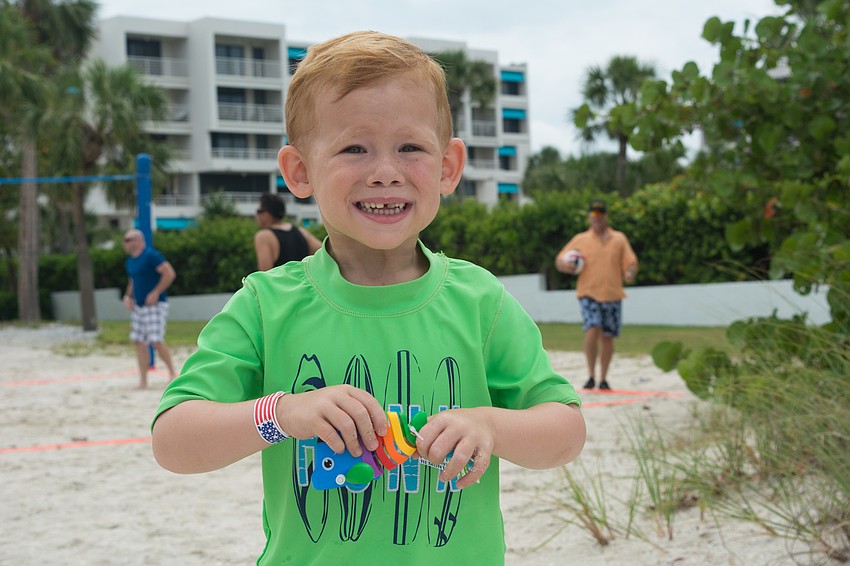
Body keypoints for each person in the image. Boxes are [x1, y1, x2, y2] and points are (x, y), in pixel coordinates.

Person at [151, 31, 585, 565]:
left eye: (411, 147)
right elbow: (173, 441)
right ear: (300, 172)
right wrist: (281, 413)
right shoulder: (266, 305)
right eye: (355, 148)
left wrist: (491, 424)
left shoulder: (479, 300)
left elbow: (565, 431)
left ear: (449, 167)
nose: (385, 171)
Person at [555, 199, 638, 391]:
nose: (597, 218)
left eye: (600, 214)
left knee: (607, 337)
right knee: (593, 328)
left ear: (606, 216)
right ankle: (591, 375)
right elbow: (560, 259)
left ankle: (603, 378)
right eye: (594, 214)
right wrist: (565, 265)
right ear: (589, 217)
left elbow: (630, 261)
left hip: (612, 293)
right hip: (588, 293)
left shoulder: (619, 239)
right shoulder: (580, 239)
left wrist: (630, 272)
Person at [122, 229, 178, 389]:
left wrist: (156, 292)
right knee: (138, 342)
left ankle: (173, 373)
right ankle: (143, 381)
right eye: (124, 240)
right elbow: (132, 281)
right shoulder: (130, 261)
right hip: (138, 306)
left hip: (155, 305)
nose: (125, 243)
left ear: (139, 241)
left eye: (129, 239)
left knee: (156, 341)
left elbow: (169, 273)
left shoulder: (151, 255)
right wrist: (128, 297)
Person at [253, 192, 322, 271]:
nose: (257, 216)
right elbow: (323, 253)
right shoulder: (301, 232)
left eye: (258, 211)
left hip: (279, 283)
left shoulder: (264, 236)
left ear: (267, 214)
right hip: (302, 282)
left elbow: (264, 275)